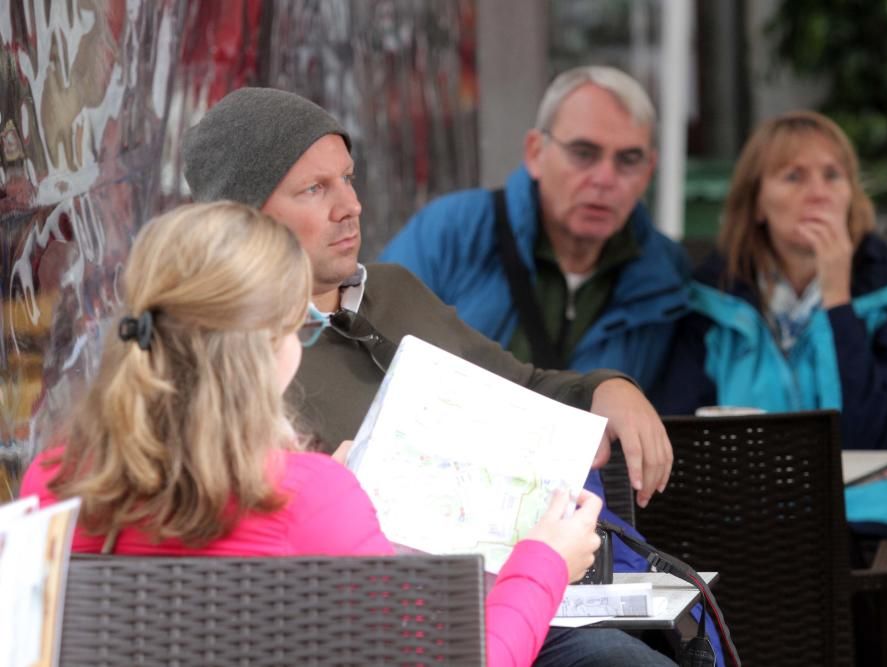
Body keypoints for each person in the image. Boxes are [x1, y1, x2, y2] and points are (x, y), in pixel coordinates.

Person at [181, 87, 679, 667]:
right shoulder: (228, 352)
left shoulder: (393, 291)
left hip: (511, 594)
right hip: (369, 628)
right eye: (315, 189)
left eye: (347, 178)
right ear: (243, 218)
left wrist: (604, 389)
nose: (350, 206)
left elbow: (521, 386)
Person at [19, 201, 607, 667]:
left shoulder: (50, 480)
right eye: (300, 328)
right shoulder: (311, 497)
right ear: (266, 346)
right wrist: (545, 561)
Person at [380, 66, 688, 572]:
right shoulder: (453, 231)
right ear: (535, 152)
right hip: (445, 516)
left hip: (592, 525)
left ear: (650, 170)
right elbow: (378, 357)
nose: (605, 178)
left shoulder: (664, 271)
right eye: (584, 153)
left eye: (628, 160)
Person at [652, 110, 887, 626]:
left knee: (846, 590)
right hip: (741, 523)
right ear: (757, 203)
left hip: (869, 519)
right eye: (793, 176)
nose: (819, 191)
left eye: (833, 175)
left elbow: (878, 432)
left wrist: (838, 300)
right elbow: (678, 432)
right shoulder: (708, 303)